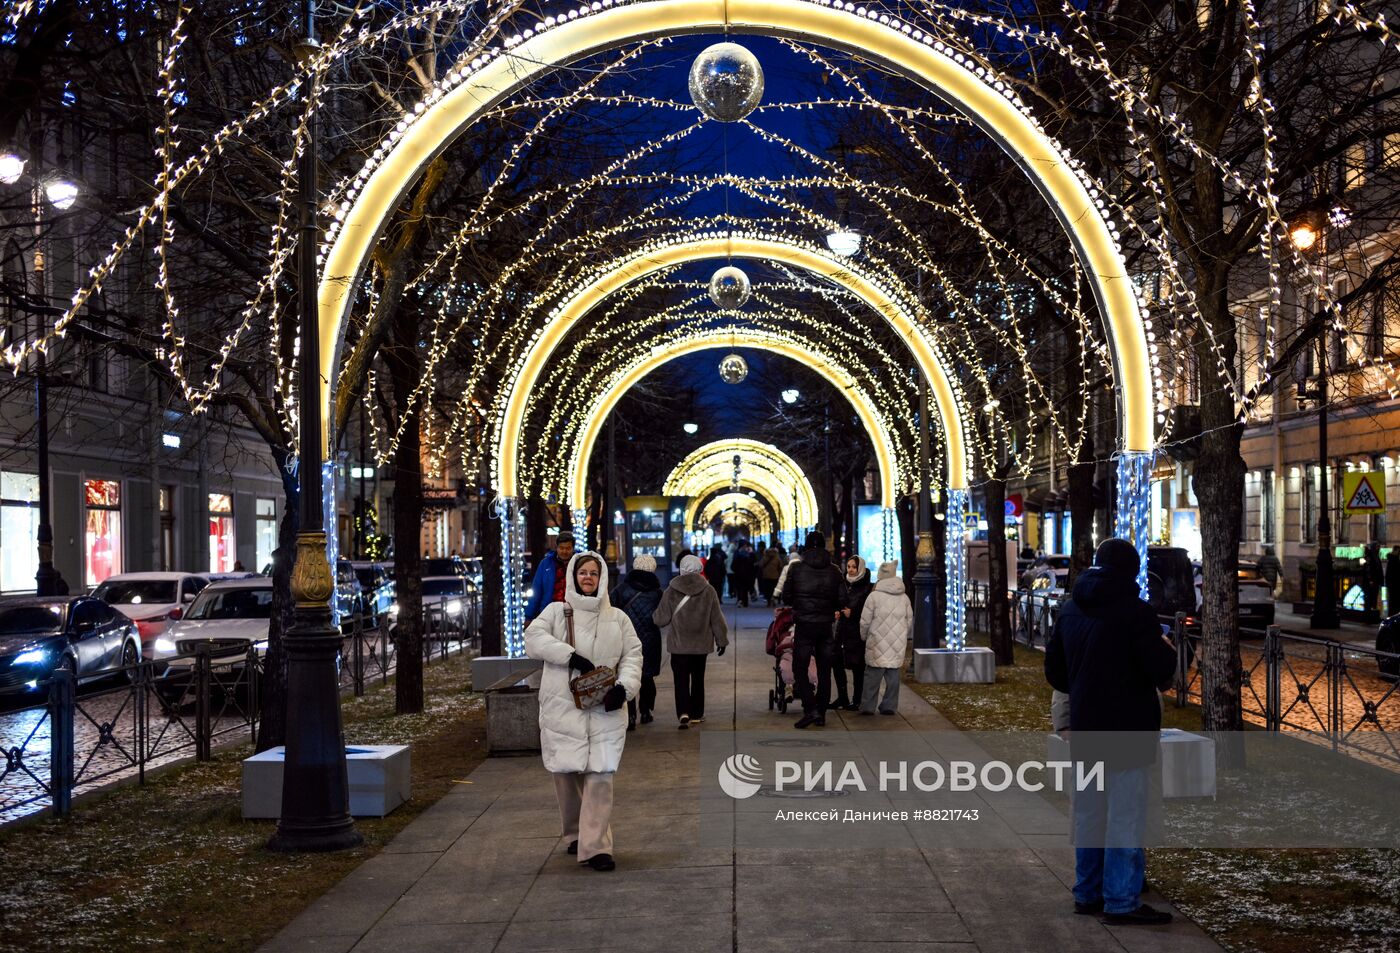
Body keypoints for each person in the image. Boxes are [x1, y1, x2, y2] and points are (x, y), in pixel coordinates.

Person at [1044, 538, 1177, 926]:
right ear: (1132, 570)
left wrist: (1086, 683)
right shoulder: (1135, 612)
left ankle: (1087, 893)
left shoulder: (1071, 609)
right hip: (1128, 730)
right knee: (1125, 815)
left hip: (1087, 728)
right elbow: (1159, 668)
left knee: (1088, 812)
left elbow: (1055, 672)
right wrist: (1165, 646)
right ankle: (1120, 899)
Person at [524, 551, 643, 872]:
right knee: (566, 775)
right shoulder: (555, 612)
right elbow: (532, 639)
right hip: (563, 707)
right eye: (582, 572)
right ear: (574, 577)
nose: (588, 577)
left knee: (601, 776)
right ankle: (576, 833)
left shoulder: (618, 618)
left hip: (606, 708)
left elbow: (633, 655)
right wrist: (569, 655)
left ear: (602, 577)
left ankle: (597, 847)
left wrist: (624, 688)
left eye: (593, 572)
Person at [654, 554, 728, 728]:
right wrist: (721, 640)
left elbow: (660, 619)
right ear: (699, 569)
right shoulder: (709, 590)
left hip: (679, 647)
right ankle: (696, 714)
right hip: (700, 646)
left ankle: (683, 712)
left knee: (680, 680)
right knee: (698, 679)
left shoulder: (671, 590)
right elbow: (717, 619)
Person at [783, 531, 847, 729]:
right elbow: (842, 599)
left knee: (799, 668)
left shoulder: (796, 569)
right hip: (825, 626)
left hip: (804, 625)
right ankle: (821, 713)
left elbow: (786, 597)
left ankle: (810, 709)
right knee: (824, 669)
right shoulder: (834, 571)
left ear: (806, 546)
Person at [611, 555, 664, 729]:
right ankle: (646, 711)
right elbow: (662, 616)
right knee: (647, 677)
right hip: (650, 638)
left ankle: (631, 715)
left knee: (628, 674)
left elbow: (611, 612)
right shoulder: (657, 592)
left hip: (627, 639)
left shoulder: (621, 589)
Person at [859, 560, 911, 715]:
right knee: (893, 676)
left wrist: (864, 636)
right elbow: (909, 621)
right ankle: (889, 706)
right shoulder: (904, 598)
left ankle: (868, 706)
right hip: (896, 643)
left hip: (876, 642)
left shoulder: (873, 597)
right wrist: (903, 636)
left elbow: (865, 621)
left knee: (872, 677)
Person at [832, 555, 871, 710]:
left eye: (854, 567)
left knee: (857, 667)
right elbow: (838, 602)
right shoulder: (843, 583)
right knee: (837, 663)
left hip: (856, 632)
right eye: (848, 566)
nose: (851, 570)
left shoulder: (866, 587)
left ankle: (857, 700)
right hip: (842, 631)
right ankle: (842, 698)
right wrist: (837, 611)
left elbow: (868, 610)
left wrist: (853, 613)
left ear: (860, 568)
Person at [525, 532, 576, 622]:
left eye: (568, 548)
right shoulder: (546, 564)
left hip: (573, 614)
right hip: (549, 614)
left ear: (573, 548)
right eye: (561, 548)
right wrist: (529, 616)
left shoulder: (578, 564)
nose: (564, 551)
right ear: (556, 548)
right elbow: (537, 590)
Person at [730, 542, 756, 608]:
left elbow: (733, 566)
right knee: (744, 589)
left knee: (740, 589)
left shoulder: (737, 555)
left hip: (739, 575)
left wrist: (736, 571)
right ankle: (744, 602)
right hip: (746, 575)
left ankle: (741, 601)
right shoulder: (748, 555)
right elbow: (753, 563)